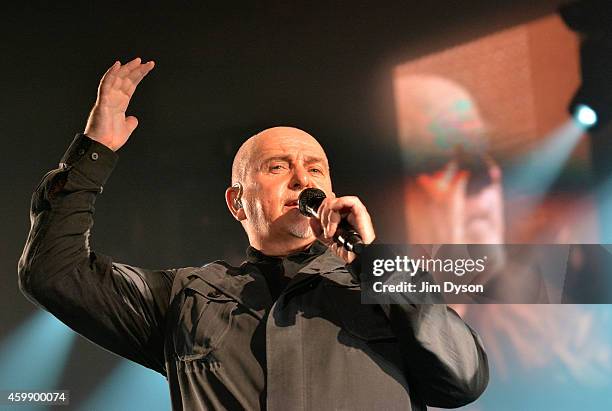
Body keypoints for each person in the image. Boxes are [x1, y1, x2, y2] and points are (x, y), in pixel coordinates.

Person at [18, 58, 488, 411]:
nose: (303, 180)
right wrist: (93, 153)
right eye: (278, 166)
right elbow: (52, 272)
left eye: (315, 169)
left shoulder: (383, 287)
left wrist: (372, 262)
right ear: (237, 201)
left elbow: (462, 379)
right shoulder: (186, 298)